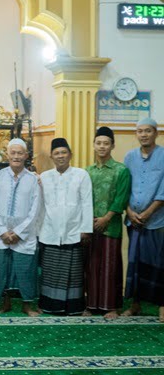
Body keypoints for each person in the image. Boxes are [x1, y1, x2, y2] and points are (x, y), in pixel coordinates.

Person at [38, 137, 93, 316]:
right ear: (52, 157)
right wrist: (39, 231)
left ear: (70, 155)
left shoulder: (81, 175)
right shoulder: (44, 177)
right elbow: (40, 206)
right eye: (56, 153)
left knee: (74, 273)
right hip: (50, 231)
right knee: (51, 271)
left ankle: (74, 307)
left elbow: (86, 203)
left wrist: (85, 229)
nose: (60, 156)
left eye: (64, 152)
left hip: (74, 231)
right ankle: (50, 305)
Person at [0, 138, 42, 317]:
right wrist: (3, 231)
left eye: (20, 153)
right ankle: (5, 303)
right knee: (3, 269)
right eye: (13, 153)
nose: (16, 156)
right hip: (2, 233)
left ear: (26, 156)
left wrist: (19, 232)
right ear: (7, 154)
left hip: (24, 235)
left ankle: (27, 305)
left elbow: (35, 209)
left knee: (25, 269)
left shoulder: (33, 179)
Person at [85, 127, 130, 319]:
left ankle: (111, 306)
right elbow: (83, 199)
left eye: (106, 143)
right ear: (94, 145)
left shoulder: (121, 170)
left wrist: (106, 218)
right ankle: (92, 304)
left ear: (112, 145)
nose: (102, 147)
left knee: (110, 266)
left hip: (110, 226)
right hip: (90, 226)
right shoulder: (88, 171)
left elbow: (121, 198)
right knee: (91, 266)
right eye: (98, 143)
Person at [122, 118, 164, 322]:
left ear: (156, 133)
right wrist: (129, 211)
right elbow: (124, 187)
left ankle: (161, 306)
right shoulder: (129, 157)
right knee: (136, 263)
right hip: (134, 221)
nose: (144, 135)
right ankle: (135, 305)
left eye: (148, 131)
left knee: (159, 263)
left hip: (156, 221)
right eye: (140, 131)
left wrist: (148, 213)